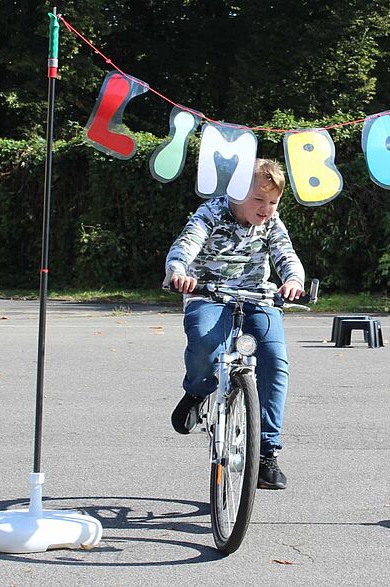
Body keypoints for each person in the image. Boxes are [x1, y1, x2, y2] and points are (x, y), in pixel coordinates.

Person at [165, 158, 305, 490]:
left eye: (273, 202)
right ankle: (198, 391)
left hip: (257, 296)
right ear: (237, 192)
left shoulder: (270, 224)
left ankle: (267, 451)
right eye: (259, 200)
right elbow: (186, 244)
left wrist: (294, 280)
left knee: (275, 360)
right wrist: (178, 272)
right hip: (210, 293)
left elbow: (286, 254)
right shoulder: (211, 213)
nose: (266, 209)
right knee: (205, 343)